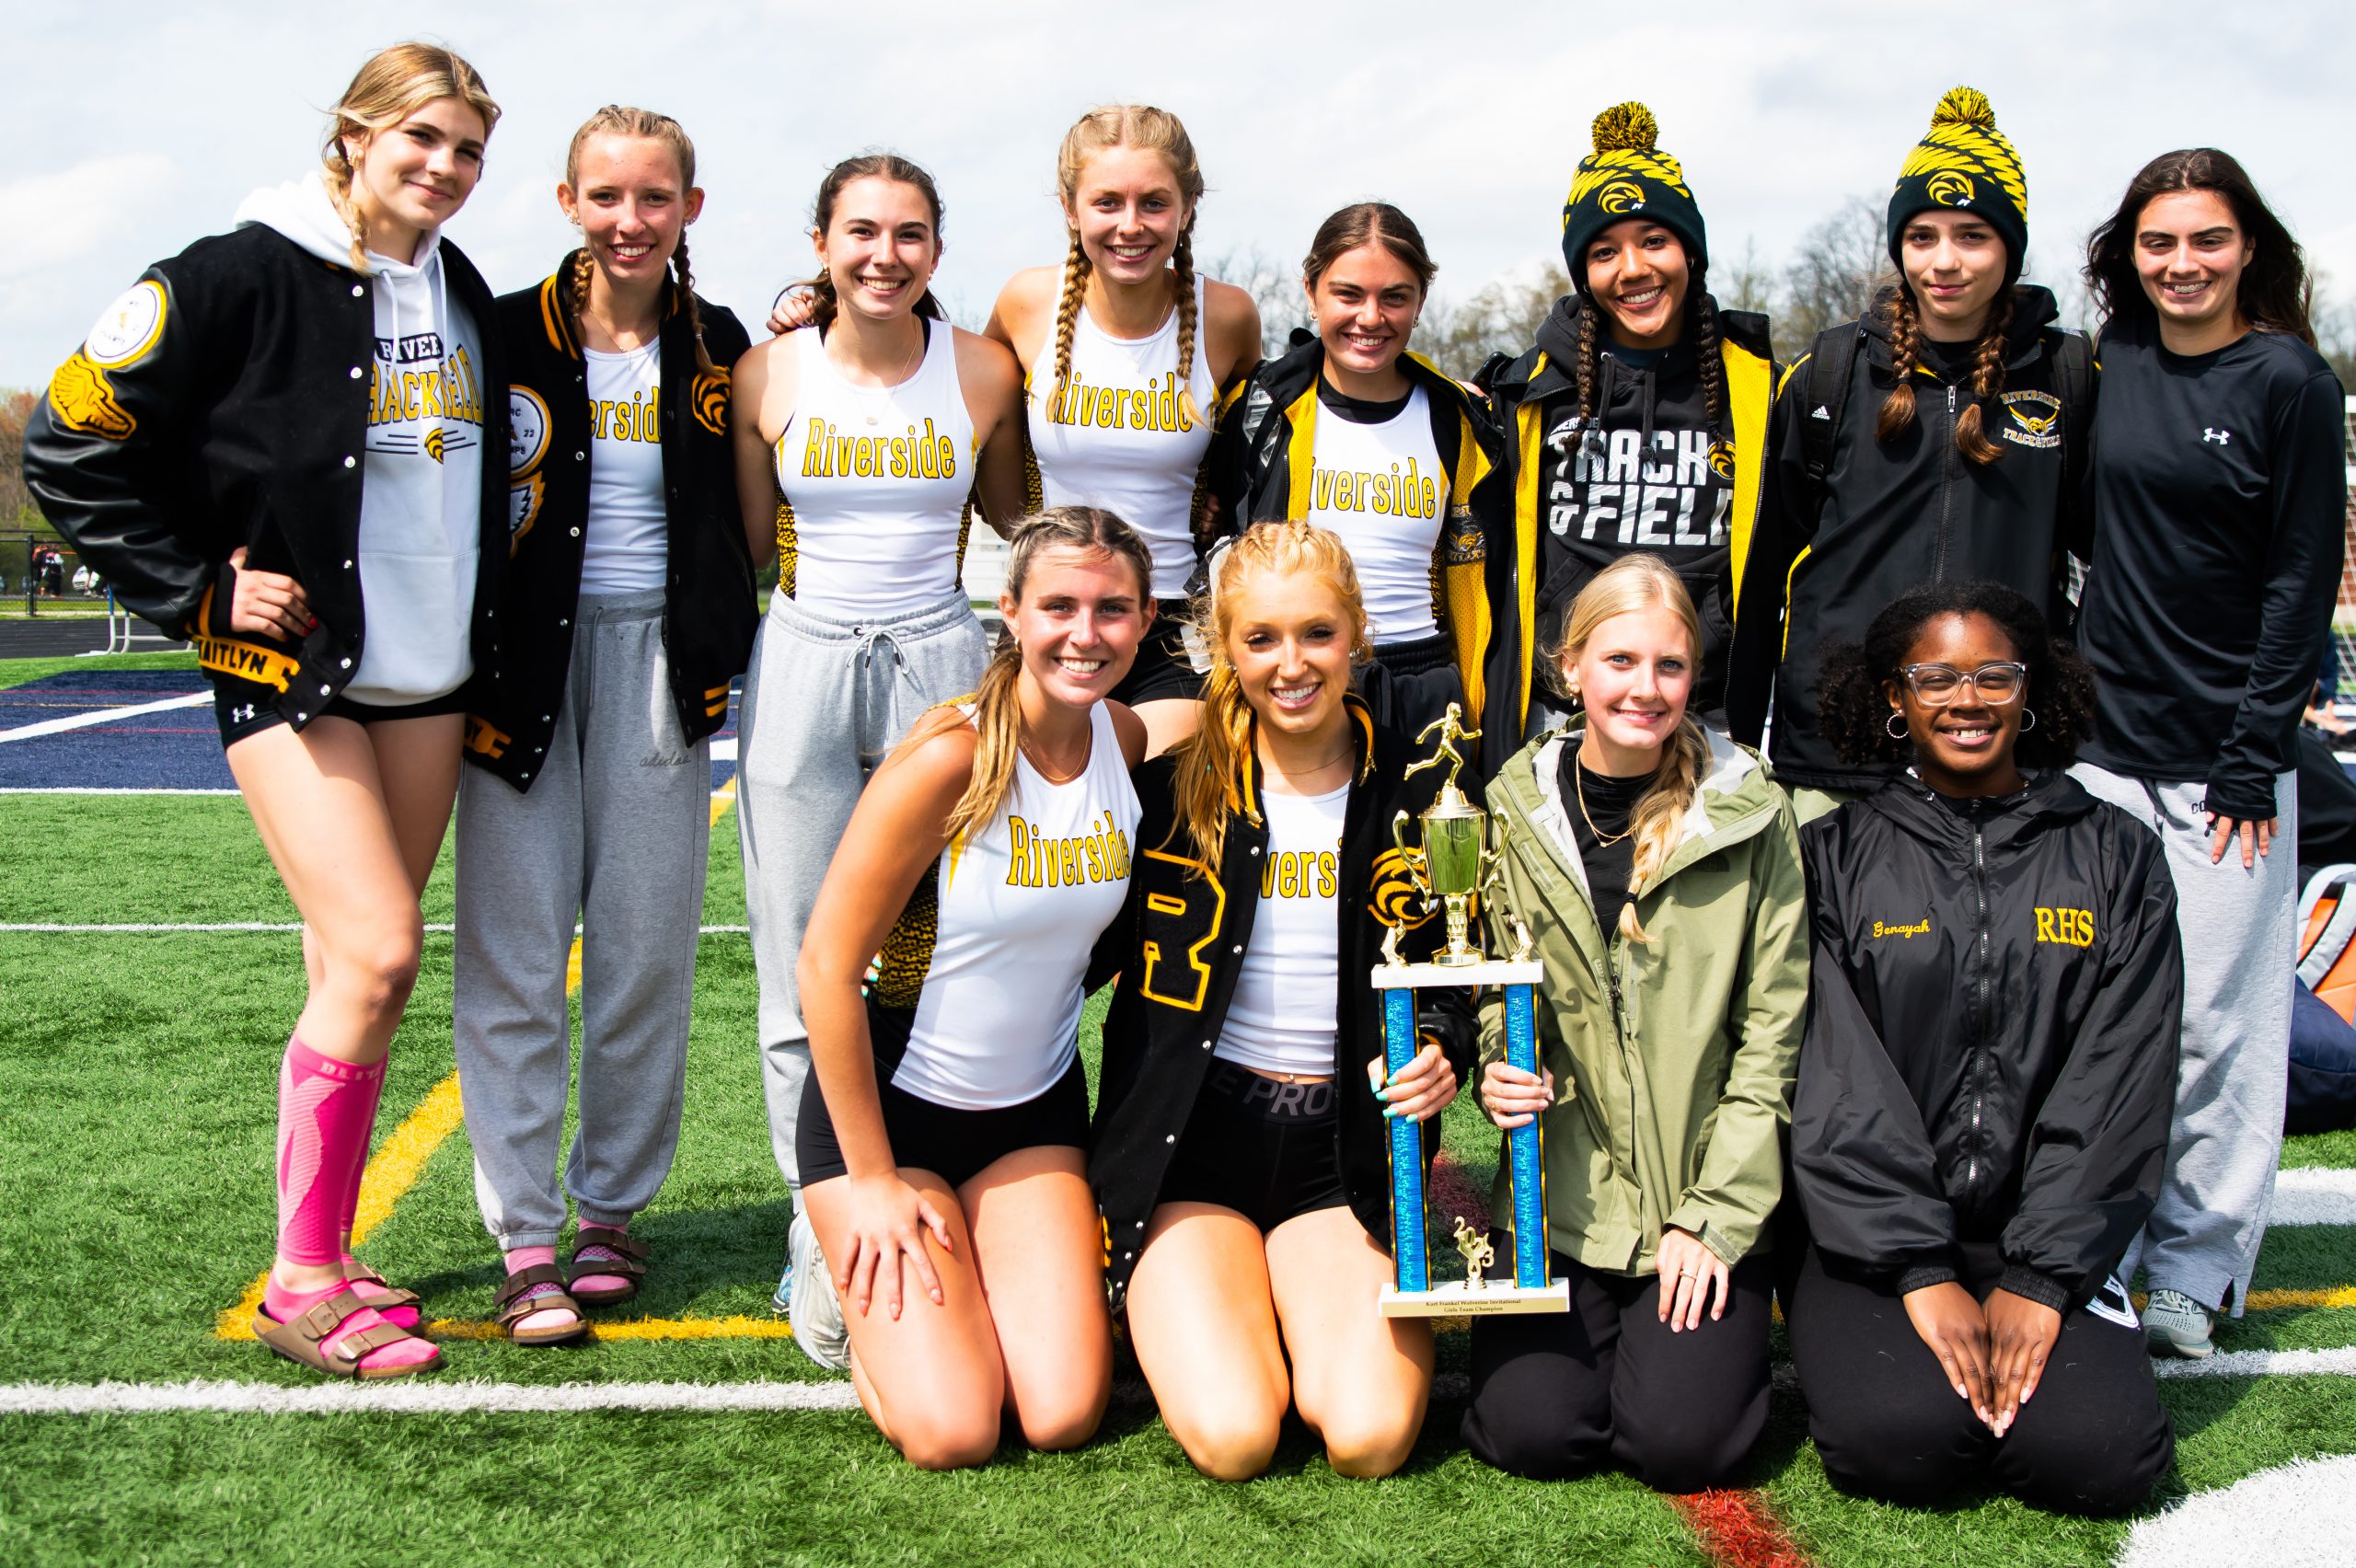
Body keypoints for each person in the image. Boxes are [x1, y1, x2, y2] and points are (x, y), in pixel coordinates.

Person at [23, 42, 506, 1378]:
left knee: (345, 967)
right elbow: (70, 441)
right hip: (295, 676)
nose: (446, 169)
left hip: (429, 681)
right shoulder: (235, 267)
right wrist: (194, 592)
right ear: (353, 134)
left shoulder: (455, 287)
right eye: (423, 138)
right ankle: (301, 1280)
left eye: (468, 150)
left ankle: (330, 1246)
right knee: (379, 952)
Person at [451, 106, 754, 1343]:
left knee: (642, 956)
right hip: (519, 670)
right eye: (608, 196)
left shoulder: (723, 346)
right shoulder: (498, 331)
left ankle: (610, 1213)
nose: (631, 222)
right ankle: (525, 1237)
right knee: (515, 961)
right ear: (568, 201)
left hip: (660, 672)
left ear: (689, 207)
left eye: (655, 198)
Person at [1090, 519, 1472, 1481]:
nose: (1290, 663)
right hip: (1197, 1153)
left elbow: (1463, 967)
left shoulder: (1424, 789)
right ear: (1223, 649)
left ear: (1358, 637)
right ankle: (1211, 1299)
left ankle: (1287, 1295)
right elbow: (1057, 948)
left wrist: (1440, 1047)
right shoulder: (1168, 790)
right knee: (1235, 1438)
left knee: (1370, 1437)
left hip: (1339, 1160)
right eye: (1259, 638)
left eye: (1316, 633)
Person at [1789, 581, 2180, 1513]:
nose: (1966, 701)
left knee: (2097, 1463)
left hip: (2043, 1235)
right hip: (1873, 1244)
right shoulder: (1832, 858)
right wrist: (1920, 1270)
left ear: (2031, 688)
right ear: (1893, 697)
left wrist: (2043, 1277)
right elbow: (1834, 1079)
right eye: (1934, 678)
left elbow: (2122, 1078)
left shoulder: (2116, 855)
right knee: (1899, 1448)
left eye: (1994, 675)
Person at [730, 152, 1028, 1338]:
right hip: (799, 657)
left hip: (942, 657)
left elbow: (1017, 521)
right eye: (861, 231)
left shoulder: (983, 374)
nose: (883, 255)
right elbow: (751, 546)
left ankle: (947, 1182)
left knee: (950, 943)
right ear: (820, 243)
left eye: (909, 234)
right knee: (803, 955)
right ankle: (823, 1230)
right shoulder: (767, 372)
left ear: (936, 254)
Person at [794, 506, 1152, 1469]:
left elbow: (1217, 710)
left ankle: (958, 1276)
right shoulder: (949, 759)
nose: (1086, 634)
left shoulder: (1123, 738)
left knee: (1064, 1412)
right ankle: (828, 1274)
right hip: (886, 1121)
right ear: (1010, 611)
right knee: (955, 1431)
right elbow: (823, 969)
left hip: (1030, 1120)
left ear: (1146, 620)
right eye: (1060, 606)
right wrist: (869, 1181)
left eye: (1112, 609)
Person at [2069, 147, 2348, 1357]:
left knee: (2216, 1026)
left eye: (2207, 241)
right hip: (2098, 751)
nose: (2183, 264)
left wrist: (2253, 750)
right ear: (2128, 255)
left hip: (2227, 764)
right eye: (2159, 242)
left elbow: (2300, 578)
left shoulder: (2290, 379)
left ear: (2249, 250)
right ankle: (2102, 1250)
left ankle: (2193, 1268)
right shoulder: (2104, 369)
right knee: (2101, 1013)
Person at [1461, 553, 1806, 1492]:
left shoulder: (1749, 813)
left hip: (1699, 1204)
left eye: (1668, 666)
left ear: (1694, 676)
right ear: (1569, 667)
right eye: (1618, 661)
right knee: (1530, 1435)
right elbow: (1500, 985)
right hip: (1560, 1203)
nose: (1644, 690)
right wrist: (1502, 1062)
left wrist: (1718, 1216)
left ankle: (1684, 1340)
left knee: (1682, 1450)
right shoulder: (1512, 807)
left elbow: (1773, 1036)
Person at [1728, 88, 2096, 821]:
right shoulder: (1827, 374)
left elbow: (2095, 562)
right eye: (1922, 236)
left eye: (1972, 235)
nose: (1945, 261)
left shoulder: (2067, 376)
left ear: (2010, 249)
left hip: (1996, 748)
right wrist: (1746, 733)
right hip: (1841, 756)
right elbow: (1767, 569)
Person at [1477, 103, 1774, 771]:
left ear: (1690, 251)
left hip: (1710, 721)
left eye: (1654, 241)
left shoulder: (1759, 391)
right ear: (1584, 274)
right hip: (1565, 721)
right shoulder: (1527, 394)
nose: (1632, 268)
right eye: (1605, 251)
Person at [983, 104, 1263, 755]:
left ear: (1187, 208)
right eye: (1107, 201)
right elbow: (960, 384)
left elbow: (1267, 434)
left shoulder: (1227, 315)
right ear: (1069, 207)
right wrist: (814, 302)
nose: (1129, 225)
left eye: (1154, 203)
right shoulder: (1028, 301)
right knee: (1040, 827)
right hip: (1052, 611)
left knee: (1158, 825)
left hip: (1172, 620)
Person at [1207, 202, 1501, 736]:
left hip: (1421, 684)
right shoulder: (1258, 411)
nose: (1370, 317)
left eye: (1394, 297)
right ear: (1311, 292)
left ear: (1420, 302)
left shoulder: (1459, 418)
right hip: (1294, 677)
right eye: (1348, 294)